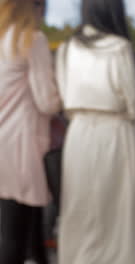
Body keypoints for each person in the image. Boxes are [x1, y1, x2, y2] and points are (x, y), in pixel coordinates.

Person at [56, 0, 135, 263]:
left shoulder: (66, 49)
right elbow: (134, 104)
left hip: (79, 132)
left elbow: (63, 96)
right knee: (117, 211)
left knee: (80, 208)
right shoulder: (120, 48)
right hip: (115, 130)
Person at [0, 0, 61, 263]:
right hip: (21, 146)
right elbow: (47, 101)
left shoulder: (3, 38)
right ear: (33, 8)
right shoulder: (31, 39)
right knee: (16, 233)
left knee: (22, 225)